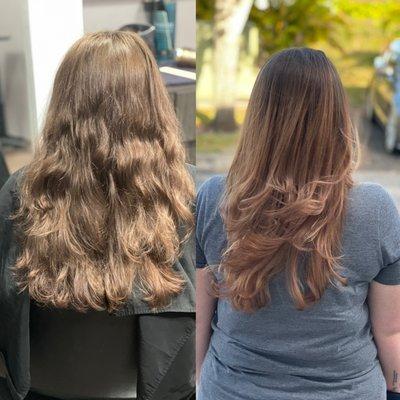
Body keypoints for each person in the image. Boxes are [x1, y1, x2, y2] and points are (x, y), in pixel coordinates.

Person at [0, 31, 195, 400]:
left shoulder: (20, 192)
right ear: (153, 101)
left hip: (42, 389)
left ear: (64, 102)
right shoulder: (186, 192)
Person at [196, 47, 400, 400]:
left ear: (259, 117)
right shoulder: (374, 209)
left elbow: (197, 322)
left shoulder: (216, 199)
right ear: (337, 119)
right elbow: (391, 333)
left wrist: (201, 382)